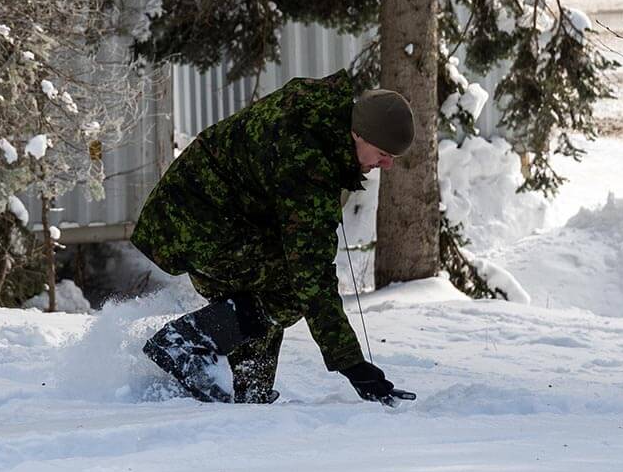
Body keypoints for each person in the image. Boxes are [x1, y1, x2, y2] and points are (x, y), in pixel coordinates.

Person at [131, 70, 416, 406]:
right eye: (383, 153)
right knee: (288, 289)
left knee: (261, 296)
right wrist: (353, 365)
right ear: (357, 134)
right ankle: (183, 343)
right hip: (196, 225)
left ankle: (249, 392)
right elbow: (310, 275)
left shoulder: (318, 122)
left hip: (203, 220)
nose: (387, 164)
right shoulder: (309, 159)